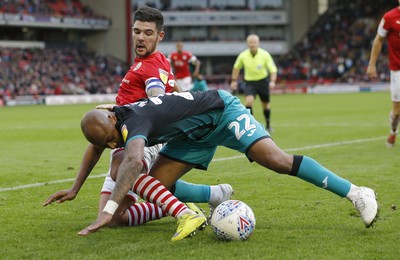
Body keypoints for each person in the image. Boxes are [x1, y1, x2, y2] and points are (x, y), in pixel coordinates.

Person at [77, 90, 379, 242]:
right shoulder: (113, 119)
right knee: (158, 187)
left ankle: (356, 192)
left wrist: (107, 212)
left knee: (276, 160)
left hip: (222, 112)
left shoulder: (134, 120)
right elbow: (98, 145)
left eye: (111, 138)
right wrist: (76, 188)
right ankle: (214, 195)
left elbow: (131, 161)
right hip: (192, 135)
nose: (111, 144)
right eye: (106, 143)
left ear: (113, 121)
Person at [43, 5, 233, 228]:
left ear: (159, 36)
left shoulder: (150, 68)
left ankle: (182, 211)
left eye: (147, 33)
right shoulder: (155, 62)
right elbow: (100, 141)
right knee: (114, 218)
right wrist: (75, 188)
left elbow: (157, 101)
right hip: (123, 142)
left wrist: (121, 108)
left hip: (140, 140)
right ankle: (211, 194)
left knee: (119, 169)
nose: (140, 38)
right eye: (136, 31)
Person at [366, 1, 400, 148]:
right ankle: (393, 131)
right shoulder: (389, 17)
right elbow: (379, 40)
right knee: (397, 112)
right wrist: (372, 64)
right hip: (397, 70)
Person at [230, 34, 278, 132]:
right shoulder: (243, 55)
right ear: (247, 44)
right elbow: (236, 68)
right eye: (250, 42)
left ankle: (268, 125)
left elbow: (273, 69)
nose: (252, 44)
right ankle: (251, 125)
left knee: (265, 105)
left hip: (263, 81)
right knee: (248, 102)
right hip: (249, 82)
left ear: (258, 43)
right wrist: (234, 80)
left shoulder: (265, 54)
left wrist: (273, 81)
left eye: (254, 42)